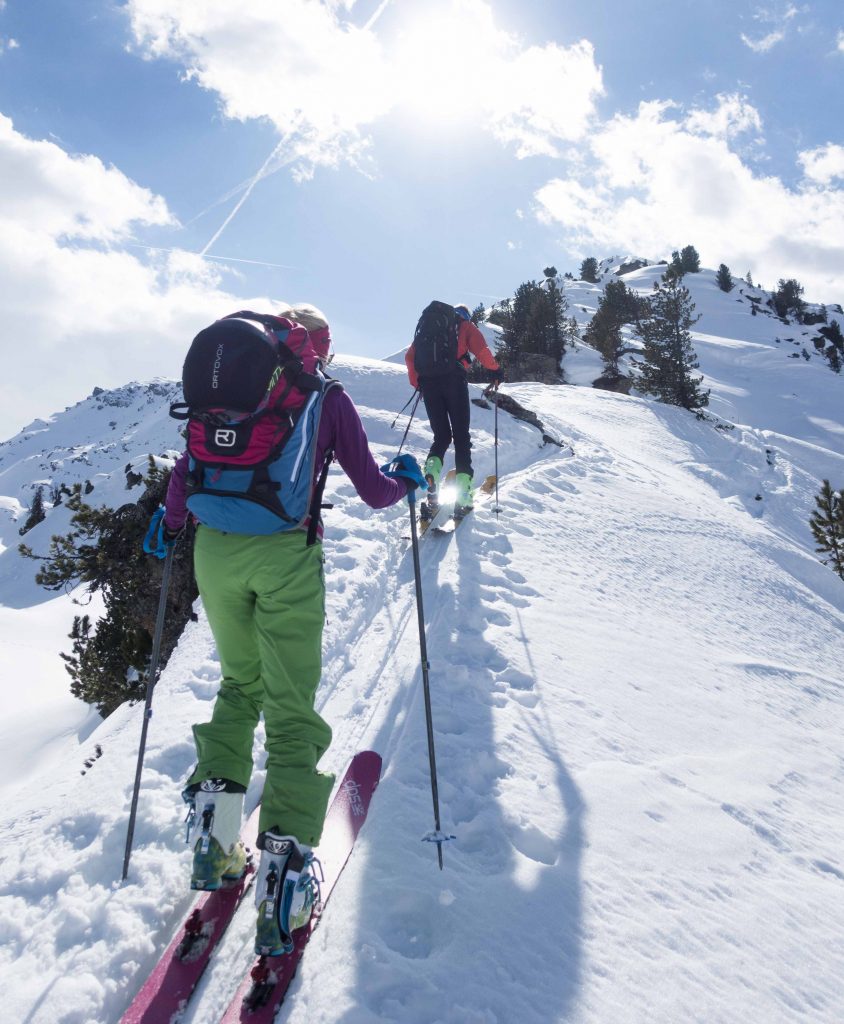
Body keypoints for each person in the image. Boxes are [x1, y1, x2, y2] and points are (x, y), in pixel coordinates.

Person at [156, 304, 424, 957]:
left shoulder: (234, 387)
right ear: (318, 346)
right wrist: (408, 479)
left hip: (213, 553)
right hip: (285, 557)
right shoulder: (325, 397)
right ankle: (282, 892)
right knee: (291, 712)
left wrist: (169, 524)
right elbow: (372, 490)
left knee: (238, 687)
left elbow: (184, 471)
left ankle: (216, 851)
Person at [404, 302, 502, 520]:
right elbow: (481, 350)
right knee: (460, 436)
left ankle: (431, 483)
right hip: (454, 382)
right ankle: (464, 497)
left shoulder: (428, 330)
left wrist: (418, 383)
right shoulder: (465, 326)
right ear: (465, 315)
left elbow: (410, 357)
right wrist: (496, 370)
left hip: (429, 385)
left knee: (441, 437)